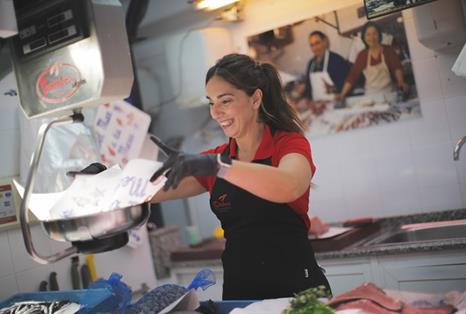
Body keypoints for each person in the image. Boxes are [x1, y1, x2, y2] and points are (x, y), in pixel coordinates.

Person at [150, 53, 331, 300]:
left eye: (225, 100)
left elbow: (289, 185)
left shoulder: (288, 144)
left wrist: (218, 167)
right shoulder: (215, 158)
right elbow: (149, 189)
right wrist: (103, 180)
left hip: (298, 291)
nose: (216, 112)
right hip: (241, 293)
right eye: (211, 102)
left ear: (255, 99)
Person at [338, 21, 408, 100]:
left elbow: (397, 68)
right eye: (368, 34)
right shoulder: (362, 55)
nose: (372, 38)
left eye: (375, 34)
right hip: (371, 97)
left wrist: (401, 81)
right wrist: (342, 94)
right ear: (364, 37)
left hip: (389, 94)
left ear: (379, 35)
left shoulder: (388, 50)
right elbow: (353, 76)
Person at [304, 31, 350, 101]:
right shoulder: (311, 64)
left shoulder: (336, 60)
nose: (315, 48)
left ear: (325, 41)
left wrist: (332, 88)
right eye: (312, 45)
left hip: (336, 102)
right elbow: (308, 87)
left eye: (317, 43)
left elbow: (345, 84)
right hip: (318, 105)